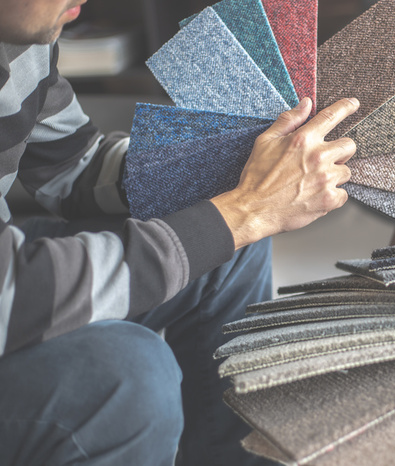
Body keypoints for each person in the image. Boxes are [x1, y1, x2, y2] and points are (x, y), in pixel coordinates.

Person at [0, 0, 359, 464]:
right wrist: (242, 211)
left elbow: (74, 166)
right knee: (129, 375)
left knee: (226, 243)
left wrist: (232, 166)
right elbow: (12, 294)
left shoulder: (22, 36)